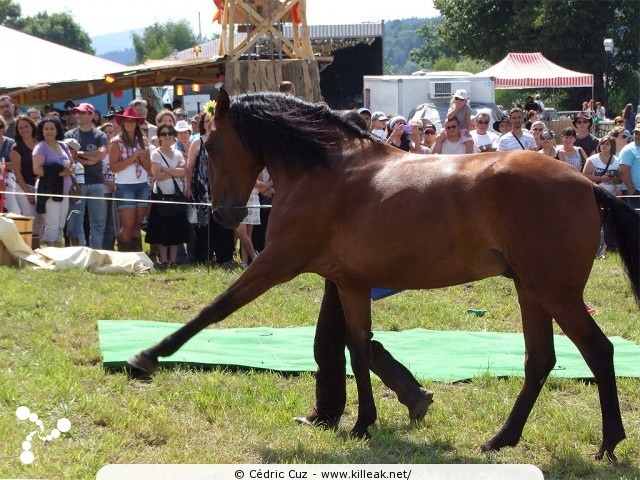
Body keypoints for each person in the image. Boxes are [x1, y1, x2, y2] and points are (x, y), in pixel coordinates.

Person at [185, 111, 235, 265]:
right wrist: (188, 187)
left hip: (221, 188)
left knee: (222, 221)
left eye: (211, 121)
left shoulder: (223, 141)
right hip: (202, 188)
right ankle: (203, 256)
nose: (209, 123)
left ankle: (224, 256)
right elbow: (190, 167)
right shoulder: (197, 142)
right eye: (206, 120)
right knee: (203, 223)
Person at [145, 124, 190, 267]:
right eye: (163, 134)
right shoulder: (156, 154)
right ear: (159, 136)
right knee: (162, 229)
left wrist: (166, 169)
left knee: (176, 229)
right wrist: (174, 170)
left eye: (170, 133)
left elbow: (184, 171)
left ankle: (174, 260)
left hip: (176, 196)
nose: (167, 136)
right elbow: (157, 175)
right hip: (161, 196)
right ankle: (164, 260)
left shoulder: (177, 153)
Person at [65, 103, 108, 250]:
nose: (79, 115)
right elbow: (70, 156)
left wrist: (80, 154)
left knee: (98, 222)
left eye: (83, 113)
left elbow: (101, 154)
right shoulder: (69, 135)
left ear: (92, 115)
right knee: (76, 220)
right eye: (77, 113)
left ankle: (96, 253)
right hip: (76, 184)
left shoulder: (99, 135)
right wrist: (91, 159)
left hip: (97, 182)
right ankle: (81, 252)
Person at [109, 107, 151, 252]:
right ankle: (123, 254)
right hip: (124, 186)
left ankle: (137, 254)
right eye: (127, 121)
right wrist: (133, 158)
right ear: (122, 123)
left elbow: (149, 167)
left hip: (142, 185)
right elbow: (113, 167)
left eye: (133, 121)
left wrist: (142, 158)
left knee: (138, 223)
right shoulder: (116, 142)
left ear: (137, 124)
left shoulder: (143, 140)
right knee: (128, 224)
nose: (130, 123)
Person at [31, 116, 73, 247]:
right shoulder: (40, 148)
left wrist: (70, 170)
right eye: (46, 129)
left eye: (52, 128)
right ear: (42, 131)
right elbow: (37, 170)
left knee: (60, 224)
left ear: (57, 130)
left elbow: (72, 163)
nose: (49, 131)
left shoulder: (63, 146)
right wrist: (59, 172)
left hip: (64, 191)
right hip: (49, 191)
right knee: (52, 224)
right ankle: (51, 254)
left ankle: (58, 251)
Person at [582, 136, 620, 259]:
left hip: (611, 196)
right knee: (596, 223)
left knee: (608, 224)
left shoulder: (617, 161)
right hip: (595, 195)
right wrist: (600, 178)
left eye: (607, 144)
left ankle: (604, 250)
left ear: (611, 147)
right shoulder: (593, 159)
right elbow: (584, 175)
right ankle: (594, 249)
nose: (604, 146)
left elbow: (620, 179)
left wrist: (615, 181)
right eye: (602, 144)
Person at [9, 115, 41, 242]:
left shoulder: (41, 143)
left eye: (26, 126)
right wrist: (28, 193)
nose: (24, 130)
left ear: (32, 126)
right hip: (24, 187)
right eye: (20, 128)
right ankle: (30, 248)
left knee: (41, 220)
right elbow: (17, 173)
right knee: (30, 219)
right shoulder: (16, 148)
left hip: (42, 186)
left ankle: (41, 248)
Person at [62, 138, 86, 246]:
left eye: (68, 148)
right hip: (61, 200)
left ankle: (77, 252)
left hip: (74, 202)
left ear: (75, 151)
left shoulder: (78, 166)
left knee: (73, 230)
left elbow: (79, 185)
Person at [99, 123, 119, 250]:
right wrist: (107, 182)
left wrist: (115, 183)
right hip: (102, 190)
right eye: (105, 131)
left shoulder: (116, 150)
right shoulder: (99, 152)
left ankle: (112, 248)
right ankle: (104, 249)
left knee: (113, 223)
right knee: (103, 222)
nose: (108, 134)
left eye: (111, 132)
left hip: (116, 190)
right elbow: (94, 172)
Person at [0, 116, 19, 214]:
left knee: (14, 211)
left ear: (3, 127)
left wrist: (3, 167)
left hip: (9, 182)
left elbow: (16, 164)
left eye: (0, 126)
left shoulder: (11, 142)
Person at [618, 125, 640, 210]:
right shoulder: (628, 150)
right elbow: (623, 170)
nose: (638, 136)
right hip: (634, 193)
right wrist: (631, 189)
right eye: (636, 133)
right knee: (634, 220)